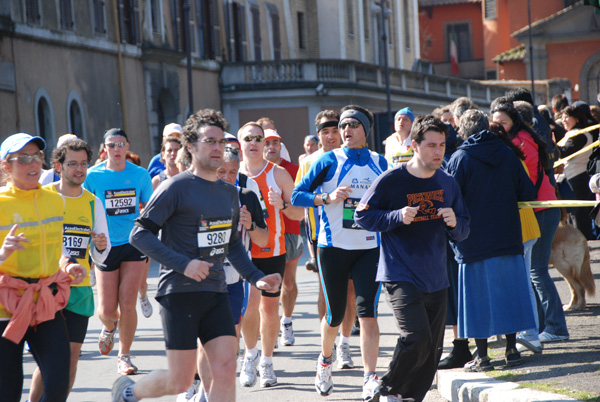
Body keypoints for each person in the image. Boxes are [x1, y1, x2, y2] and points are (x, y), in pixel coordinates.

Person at [112, 108, 281, 402]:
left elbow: (232, 245)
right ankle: (128, 392)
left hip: (216, 291)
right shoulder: (175, 188)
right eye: (209, 141)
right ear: (190, 147)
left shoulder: (229, 193)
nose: (217, 148)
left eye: (220, 142)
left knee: (226, 369)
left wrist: (257, 278)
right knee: (181, 380)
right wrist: (184, 264)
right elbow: (138, 234)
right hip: (180, 293)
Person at [355, 115, 470, 402]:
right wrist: (395, 216)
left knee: (432, 350)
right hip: (399, 273)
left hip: (436, 275)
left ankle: (406, 396)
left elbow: (464, 229)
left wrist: (456, 222)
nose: (438, 151)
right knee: (416, 337)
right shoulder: (392, 180)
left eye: (442, 145)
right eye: (431, 144)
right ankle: (387, 387)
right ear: (415, 145)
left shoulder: (447, 182)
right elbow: (362, 215)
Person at [292, 105, 387, 400]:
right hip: (332, 247)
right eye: (343, 126)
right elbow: (297, 195)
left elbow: (392, 199)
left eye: (352, 125)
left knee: (367, 314)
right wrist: (326, 197)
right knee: (334, 315)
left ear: (365, 131)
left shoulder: (380, 162)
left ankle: (369, 376)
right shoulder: (328, 160)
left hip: (369, 247)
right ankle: (324, 361)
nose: (346, 130)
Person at [445, 109, 537, 372]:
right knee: (508, 293)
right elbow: (527, 192)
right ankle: (511, 351)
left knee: (476, 300)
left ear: (463, 131)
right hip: (507, 235)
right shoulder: (507, 154)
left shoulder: (460, 158)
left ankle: (483, 357)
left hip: (472, 240)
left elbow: (452, 200)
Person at [0, 133, 86, 401]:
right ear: (6, 166)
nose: (33, 164)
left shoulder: (53, 200)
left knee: (59, 380)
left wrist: (68, 264)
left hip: (44, 303)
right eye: (23, 158)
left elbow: (57, 246)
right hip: (6, 309)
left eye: (36, 156)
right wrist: (3, 253)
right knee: (8, 389)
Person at [29, 138, 111, 401]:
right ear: (58, 166)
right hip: (47, 288)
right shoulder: (43, 197)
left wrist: (99, 245)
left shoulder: (93, 203)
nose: (79, 169)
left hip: (79, 291)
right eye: (72, 164)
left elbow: (102, 253)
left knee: (71, 360)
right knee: (49, 362)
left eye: (84, 164)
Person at [491, 100, 569, 348]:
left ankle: (556, 327)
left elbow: (528, 178)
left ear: (514, 121)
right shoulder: (516, 139)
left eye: (503, 121)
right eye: (496, 122)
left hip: (541, 210)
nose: (499, 126)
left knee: (537, 270)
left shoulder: (521, 140)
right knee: (533, 270)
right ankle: (544, 325)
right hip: (536, 208)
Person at [237, 122, 304, 388]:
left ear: (265, 143)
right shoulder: (232, 174)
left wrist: (283, 205)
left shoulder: (278, 174)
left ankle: (266, 361)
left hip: (272, 250)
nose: (253, 143)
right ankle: (249, 356)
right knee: (249, 306)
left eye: (258, 138)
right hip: (241, 251)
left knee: (268, 308)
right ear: (240, 143)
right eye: (248, 138)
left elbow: (299, 214)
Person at [83, 128, 154, 375]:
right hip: (105, 246)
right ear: (105, 150)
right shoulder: (93, 176)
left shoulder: (140, 175)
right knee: (106, 311)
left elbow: (150, 207)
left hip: (134, 244)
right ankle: (109, 327)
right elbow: (83, 207)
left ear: (127, 147)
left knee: (128, 302)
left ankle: (124, 356)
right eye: (111, 145)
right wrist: (92, 235)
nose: (116, 149)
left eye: (121, 144)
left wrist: (148, 231)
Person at [295, 110, 360, 369]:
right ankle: (329, 345)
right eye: (325, 132)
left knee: (352, 293)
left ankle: (344, 344)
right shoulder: (310, 162)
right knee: (328, 292)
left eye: (335, 131)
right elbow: (298, 198)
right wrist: (325, 199)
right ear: (318, 135)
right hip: (322, 235)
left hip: (354, 233)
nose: (332, 136)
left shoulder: (354, 156)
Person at [263, 129, 304, 347]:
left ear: (281, 146)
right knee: (267, 284)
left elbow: (301, 205)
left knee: (288, 281)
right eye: (267, 142)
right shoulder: (253, 171)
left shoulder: (293, 170)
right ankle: (268, 325)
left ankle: (286, 321)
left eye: (275, 142)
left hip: (290, 230)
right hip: (265, 233)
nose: (271, 147)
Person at [557, 104, 596, 240]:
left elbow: (564, 152)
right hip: (571, 175)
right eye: (562, 118)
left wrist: (552, 147)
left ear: (577, 119)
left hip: (577, 176)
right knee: (573, 212)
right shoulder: (572, 133)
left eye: (567, 117)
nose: (564, 120)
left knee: (578, 213)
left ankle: (583, 240)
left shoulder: (579, 134)